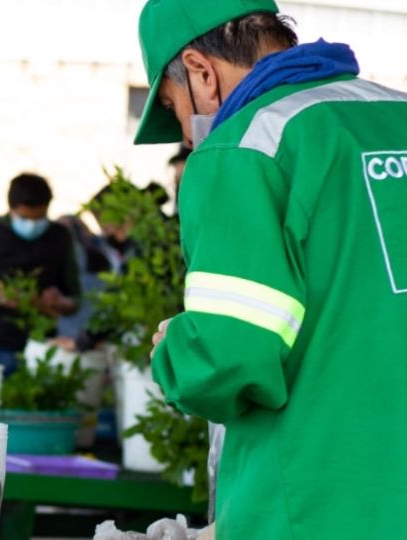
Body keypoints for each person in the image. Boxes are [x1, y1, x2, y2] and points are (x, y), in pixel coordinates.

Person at [135, 0, 407, 537]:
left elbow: (231, 357)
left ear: (200, 71)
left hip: (320, 500)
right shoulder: (393, 112)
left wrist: (176, 348)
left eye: (173, 109)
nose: (189, 136)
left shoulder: (239, 151)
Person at [0, 173, 80, 376]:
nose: (33, 225)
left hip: (41, 347)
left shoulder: (60, 238)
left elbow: (75, 299)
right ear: (12, 209)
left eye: (40, 218)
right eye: (26, 218)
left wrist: (59, 302)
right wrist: (0, 297)